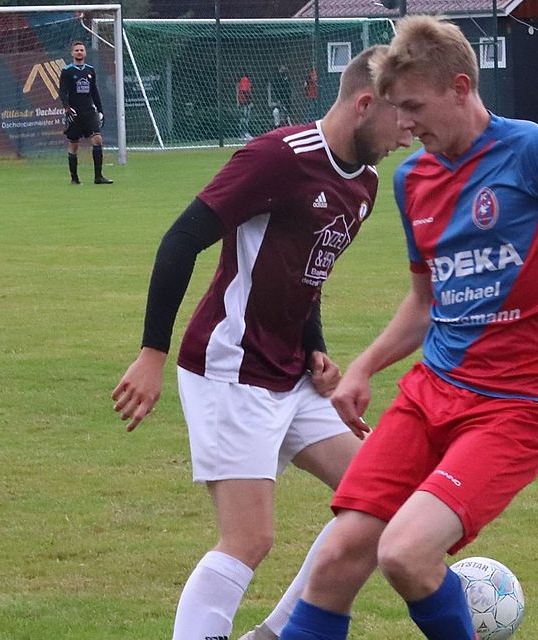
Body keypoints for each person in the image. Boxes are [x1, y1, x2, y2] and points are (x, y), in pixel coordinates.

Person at [275, 15, 538, 640]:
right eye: (397, 111)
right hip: (433, 392)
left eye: (415, 107)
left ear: (461, 87)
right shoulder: (413, 180)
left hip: (519, 400)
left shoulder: (535, 151)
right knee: (337, 559)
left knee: (405, 552)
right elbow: (426, 302)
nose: (404, 126)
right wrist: (367, 365)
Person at [111, 45, 411, 640]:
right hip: (229, 367)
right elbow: (180, 239)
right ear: (364, 103)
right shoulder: (278, 157)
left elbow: (305, 274)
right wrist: (151, 353)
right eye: (402, 114)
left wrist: (317, 347)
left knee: (384, 500)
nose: (410, 132)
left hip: (291, 372)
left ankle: (276, 634)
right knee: (249, 539)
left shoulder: (366, 185)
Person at [59, 40, 112, 185]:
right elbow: (62, 91)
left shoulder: (90, 70)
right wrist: (66, 107)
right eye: (76, 50)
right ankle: (74, 179)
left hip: (89, 111)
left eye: (81, 50)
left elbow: (94, 91)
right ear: (72, 53)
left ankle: (98, 177)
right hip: (74, 113)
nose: (79, 52)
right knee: (73, 145)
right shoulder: (67, 71)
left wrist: (100, 110)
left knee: (97, 140)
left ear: (85, 53)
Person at [237, 73, 254, 140]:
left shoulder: (240, 81)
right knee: (245, 118)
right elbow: (245, 90)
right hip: (245, 102)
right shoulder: (245, 79)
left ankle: (242, 135)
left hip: (242, 102)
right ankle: (245, 133)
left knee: (242, 119)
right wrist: (250, 99)